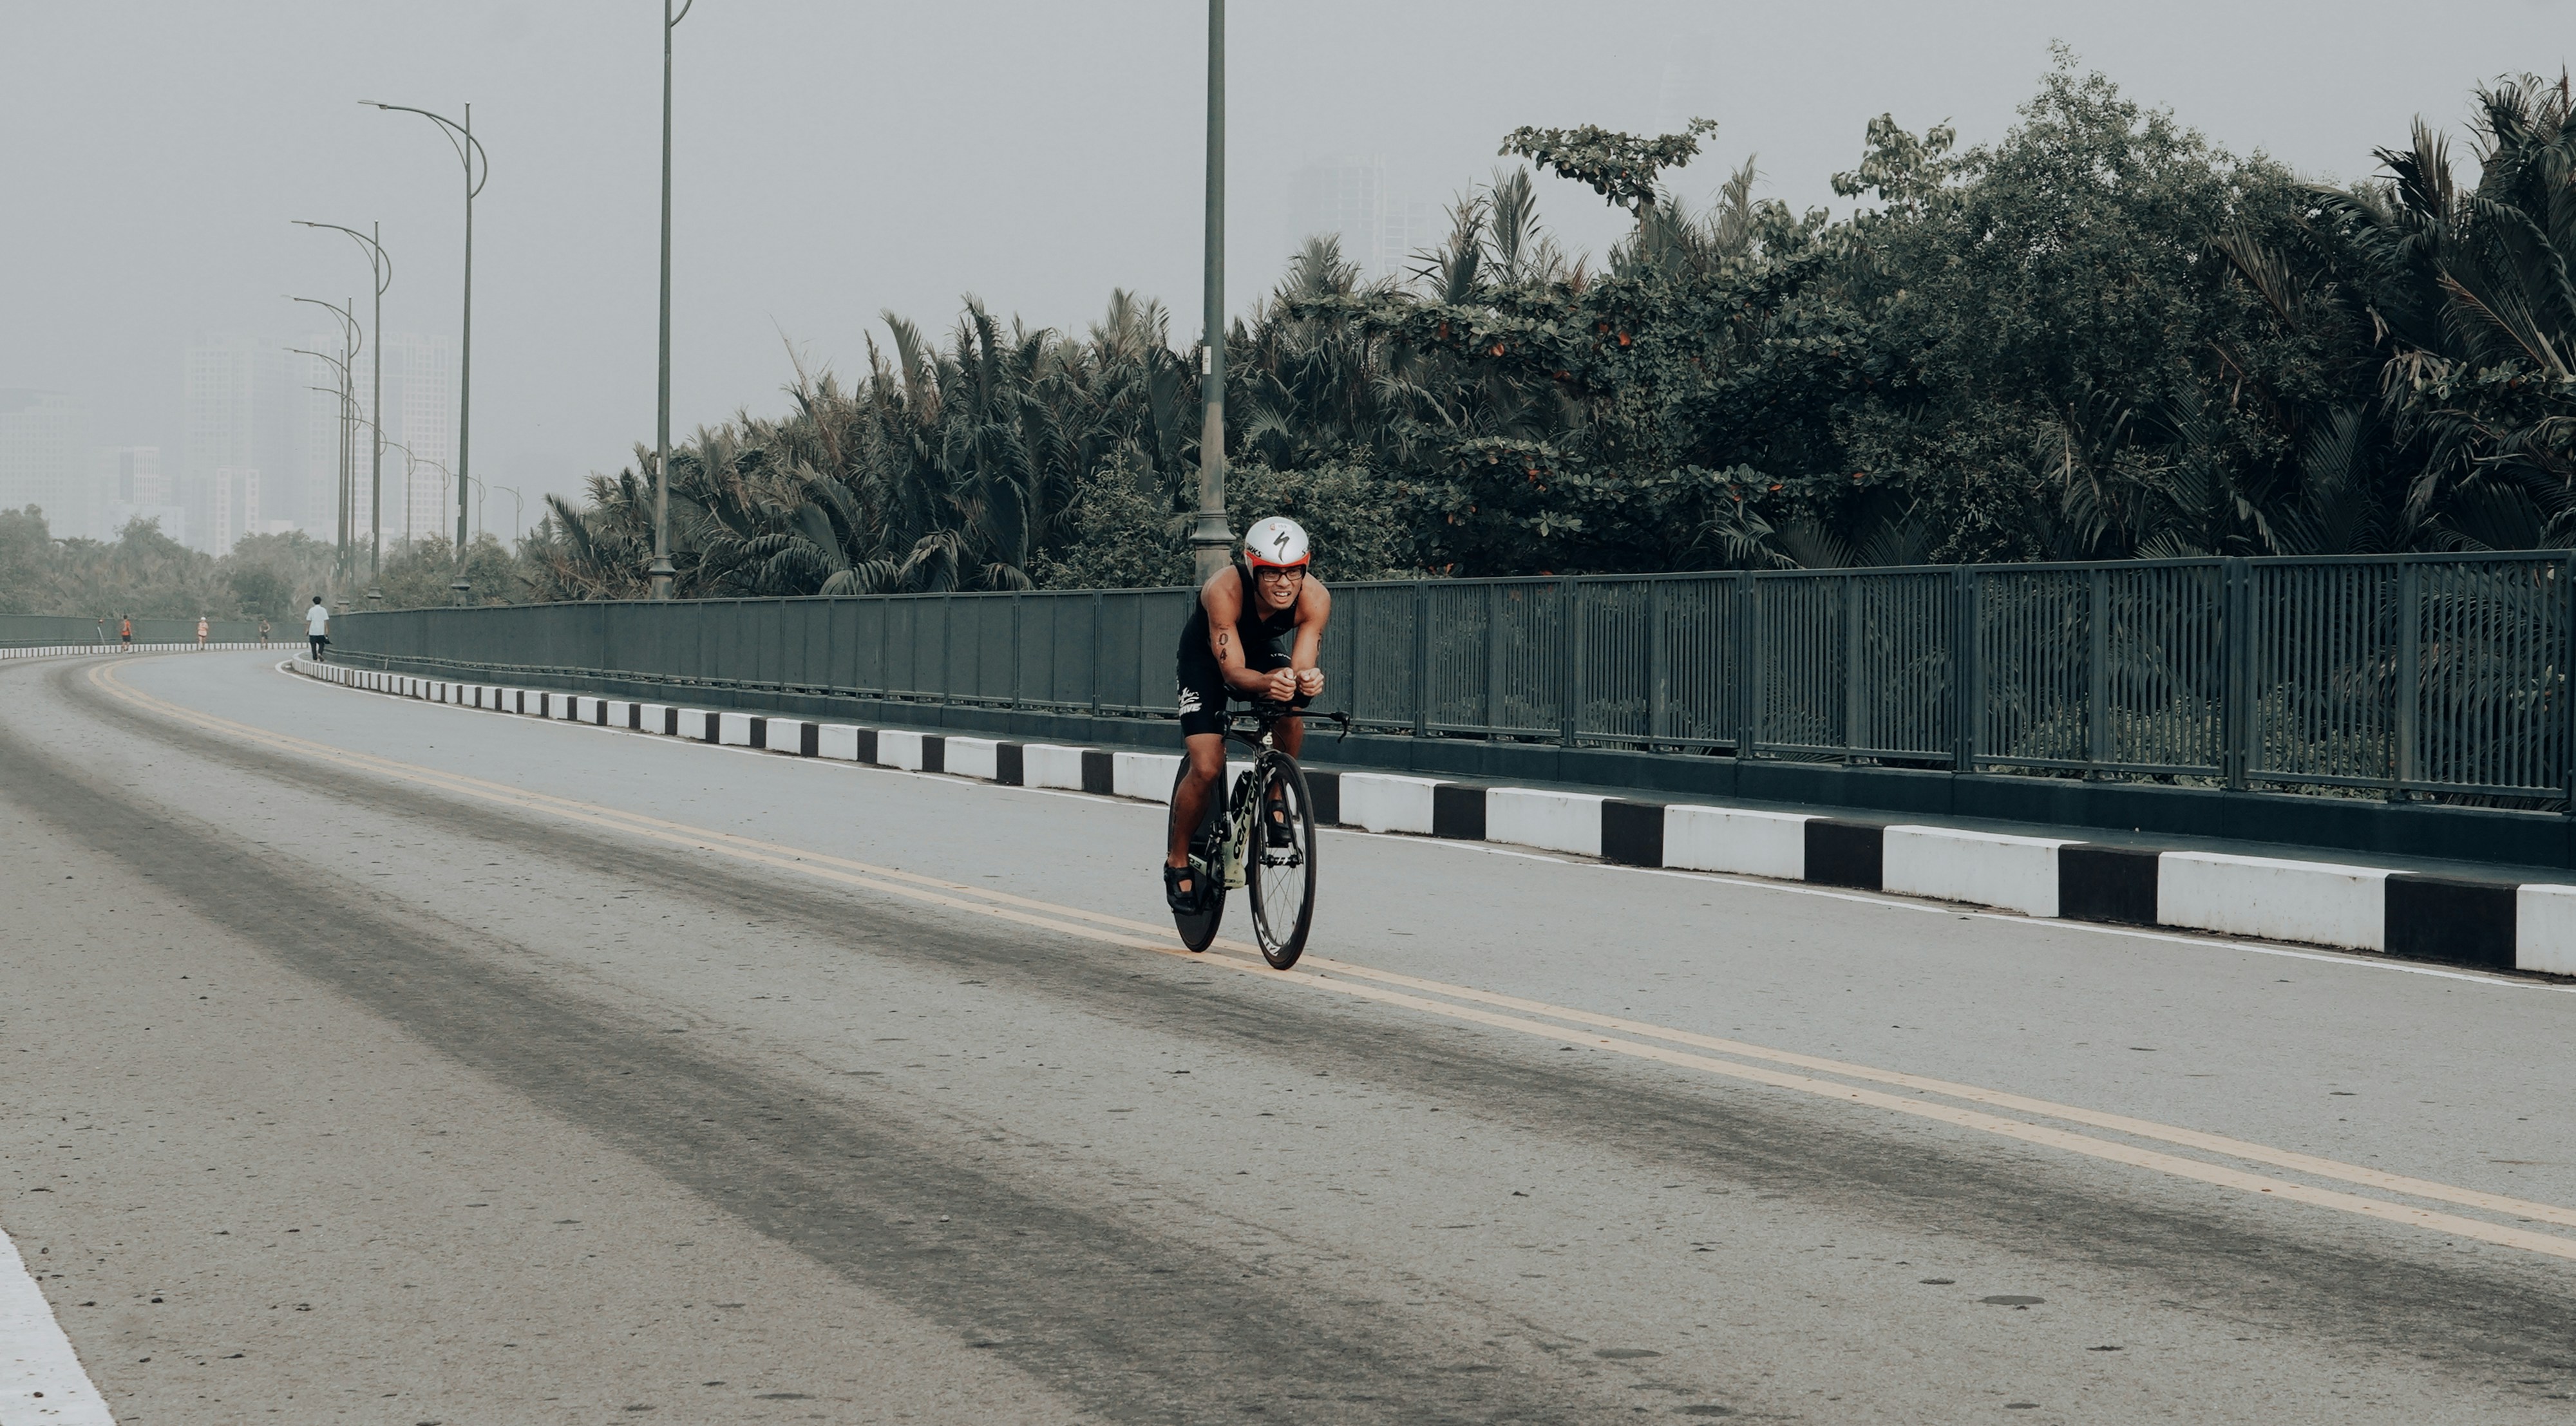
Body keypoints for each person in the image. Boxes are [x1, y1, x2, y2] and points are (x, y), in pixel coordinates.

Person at [1164, 516, 1331, 910]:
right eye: (1271, 573)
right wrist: (1267, 683)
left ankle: (1275, 794)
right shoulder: (1223, 589)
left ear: (1305, 567)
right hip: (1208, 661)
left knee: (1291, 703)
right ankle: (1177, 859)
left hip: (1259, 651)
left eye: (1293, 572)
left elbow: (1301, 665)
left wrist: (1305, 681)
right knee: (1207, 766)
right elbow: (1234, 674)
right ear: (1253, 567)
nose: (1284, 583)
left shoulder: (1316, 598)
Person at [305, 596, 330, 662]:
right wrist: (327, 631)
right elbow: (326, 621)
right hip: (321, 631)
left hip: (313, 631)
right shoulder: (324, 610)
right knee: (321, 644)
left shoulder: (311, 610)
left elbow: (309, 621)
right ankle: (320, 653)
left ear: (314, 602)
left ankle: (315, 658)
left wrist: (307, 630)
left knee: (313, 645)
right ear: (320, 602)